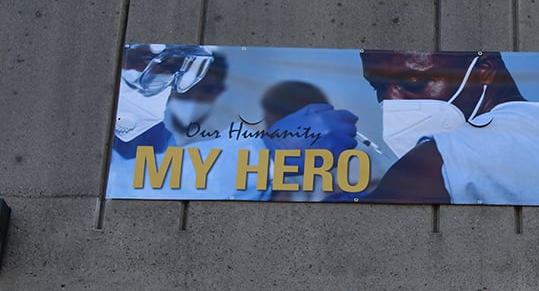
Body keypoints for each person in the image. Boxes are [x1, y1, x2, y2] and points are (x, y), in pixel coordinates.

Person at [108, 45, 358, 201]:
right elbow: (125, 186)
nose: (166, 85)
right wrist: (269, 158)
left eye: (176, 70)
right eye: (140, 60)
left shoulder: (159, 141)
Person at [359, 50, 539, 205]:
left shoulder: (444, 155)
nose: (390, 100)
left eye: (414, 82)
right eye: (377, 87)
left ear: (484, 71)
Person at [165, 51, 228, 145]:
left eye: (206, 89)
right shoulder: (148, 122)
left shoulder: (229, 137)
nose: (193, 97)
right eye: (185, 87)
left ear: (220, 91)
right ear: (171, 84)